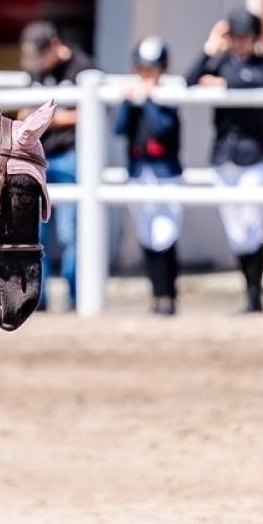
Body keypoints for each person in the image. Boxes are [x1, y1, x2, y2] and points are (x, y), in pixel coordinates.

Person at [187, 9, 263, 313]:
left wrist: (223, 84)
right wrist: (209, 48)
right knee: (237, 233)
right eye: (235, 37)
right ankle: (249, 293)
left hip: (253, 154)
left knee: (253, 226)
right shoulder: (220, 62)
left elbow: (261, 80)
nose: (240, 43)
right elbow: (188, 80)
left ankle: (255, 295)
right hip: (224, 155)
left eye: (245, 37)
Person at [19, 20, 96, 310]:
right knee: (36, 232)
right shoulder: (37, 72)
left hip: (69, 156)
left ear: (54, 45)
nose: (38, 63)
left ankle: (77, 295)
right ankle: (38, 298)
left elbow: (94, 111)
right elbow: (25, 112)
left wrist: (48, 118)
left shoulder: (83, 68)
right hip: (39, 158)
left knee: (69, 232)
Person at [114, 37, 183, 316]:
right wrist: (129, 101)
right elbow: (119, 128)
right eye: (142, 69)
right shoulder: (133, 95)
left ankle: (169, 295)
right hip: (138, 170)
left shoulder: (169, 94)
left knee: (166, 234)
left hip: (165, 173)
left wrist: (148, 99)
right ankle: (156, 295)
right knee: (146, 234)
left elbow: (161, 128)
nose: (146, 75)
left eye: (152, 69)